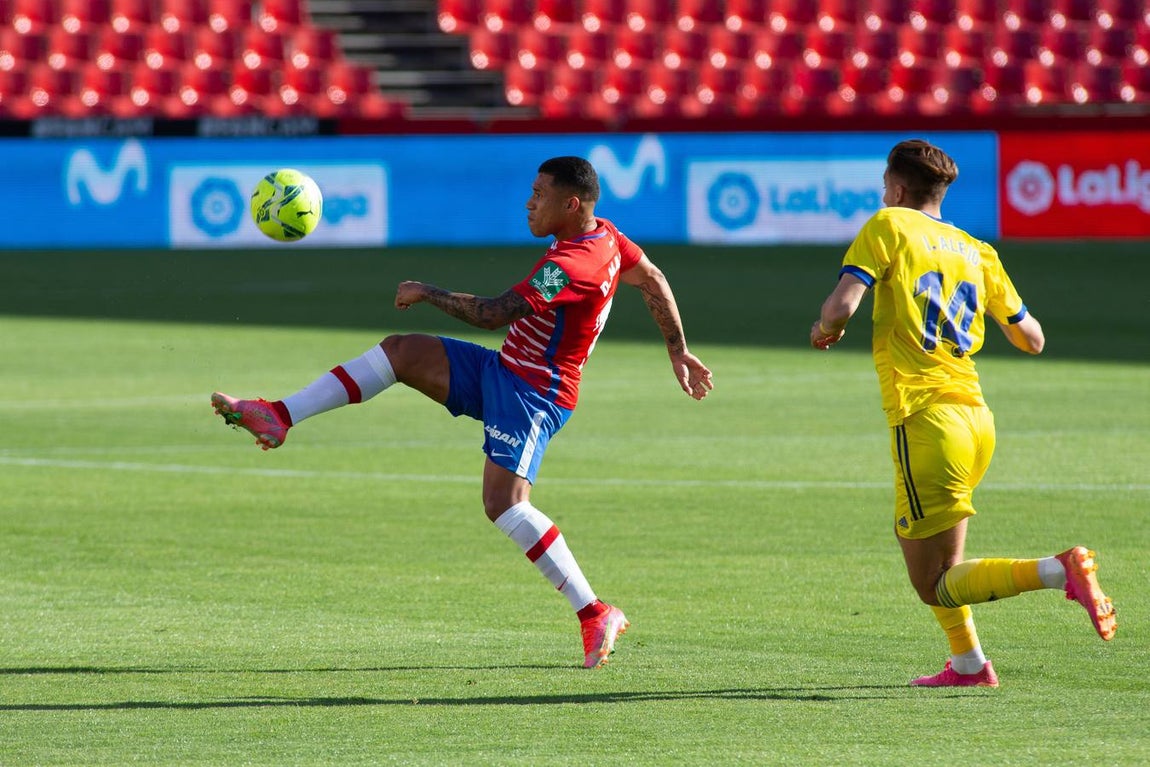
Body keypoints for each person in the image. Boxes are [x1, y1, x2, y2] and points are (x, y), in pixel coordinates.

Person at [211, 156, 714, 669]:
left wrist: (427, 292)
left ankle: (594, 612)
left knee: (504, 504)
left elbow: (493, 314)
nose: (529, 202)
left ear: (572, 203)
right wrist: (678, 349)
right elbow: (651, 277)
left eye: (539, 194)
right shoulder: (605, 236)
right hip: (505, 370)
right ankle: (279, 414)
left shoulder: (571, 266)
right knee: (401, 352)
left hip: (535, 394)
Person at [809, 139, 1116, 688]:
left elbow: (841, 305)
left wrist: (825, 329)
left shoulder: (888, 226)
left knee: (934, 583)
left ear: (898, 189)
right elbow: (1032, 338)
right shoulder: (976, 249)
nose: (884, 193)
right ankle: (970, 664)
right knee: (922, 546)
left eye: (886, 184)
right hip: (976, 419)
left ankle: (1059, 570)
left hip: (925, 418)